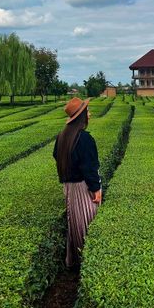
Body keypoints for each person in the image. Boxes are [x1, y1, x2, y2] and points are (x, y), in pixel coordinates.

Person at [53, 97, 102, 269]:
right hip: (83, 187)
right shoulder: (84, 139)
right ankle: (87, 263)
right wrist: (96, 189)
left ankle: (74, 260)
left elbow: (56, 157)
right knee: (87, 223)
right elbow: (90, 167)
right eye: (87, 111)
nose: (90, 113)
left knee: (74, 221)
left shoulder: (62, 137)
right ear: (81, 117)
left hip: (68, 187)